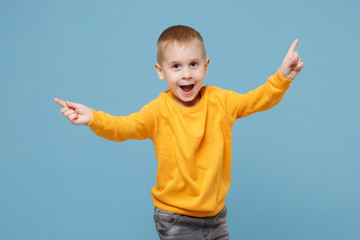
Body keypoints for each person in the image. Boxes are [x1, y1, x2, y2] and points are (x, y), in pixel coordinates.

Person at [54, 25, 303, 239]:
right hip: (175, 216)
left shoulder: (221, 102)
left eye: (193, 64)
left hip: (216, 216)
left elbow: (257, 100)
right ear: (160, 71)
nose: (186, 74)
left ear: (206, 67)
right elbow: (123, 127)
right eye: (176, 66)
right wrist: (93, 118)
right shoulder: (159, 111)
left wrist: (281, 78)